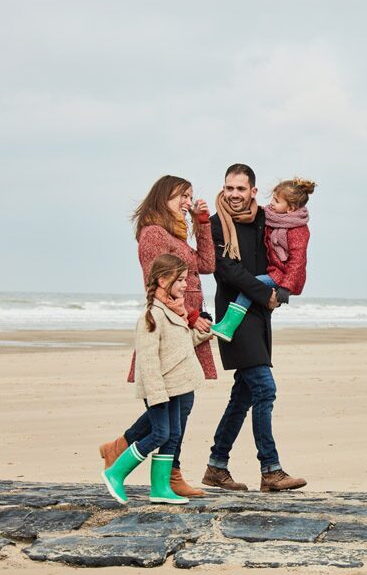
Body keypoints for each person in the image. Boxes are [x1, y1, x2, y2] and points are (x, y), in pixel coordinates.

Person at [98, 175, 215, 498]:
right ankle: (166, 473)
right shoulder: (152, 234)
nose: (187, 202)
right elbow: (157, 284)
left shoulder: (175, 234)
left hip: (185, 329)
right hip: (170, 328)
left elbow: (206, 264)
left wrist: (202, 223)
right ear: (163, 196)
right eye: (182, 196)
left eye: (191, 197)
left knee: (180, 403)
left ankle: (143, 462)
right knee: (174, 406)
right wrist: (189, 316)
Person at [201, 163, 308, 492]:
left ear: (252, 192)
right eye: (229, 188)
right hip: (234, 317)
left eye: (240, 189)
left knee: (243, 395)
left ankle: (217, 466)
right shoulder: (216, 225)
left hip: (260, 316)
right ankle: (271, 469)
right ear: (223, 189)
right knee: (264, 389)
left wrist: (284, 287)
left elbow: (290, 236)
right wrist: (267, 293)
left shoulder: (265, 218)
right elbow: (227, 271)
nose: (234, 194)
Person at [102, 254, 212, 505]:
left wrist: (203, 335)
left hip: (177, 385)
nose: (185, 285)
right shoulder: (152, 316)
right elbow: (148, 360)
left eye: (185, 279)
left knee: (172, 434)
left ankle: (160, 488)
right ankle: (115, 472)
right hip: (161, 389)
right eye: (180, 279)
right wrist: (155, 395)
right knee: (160, 434)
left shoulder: (175, 310)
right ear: (163, 280)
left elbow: (180, 347)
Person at [210, 177, 316, 340]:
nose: (272, 203)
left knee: (251, 286)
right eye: (273, 198)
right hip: (274, 271)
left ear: (290, 208)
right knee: (252, 287)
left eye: (277, 201)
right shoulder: (273, 217)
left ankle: (228, 325)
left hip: (283, 276)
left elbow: (297, 262)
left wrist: (286, 287)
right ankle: (228, 325)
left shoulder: (298, 229)